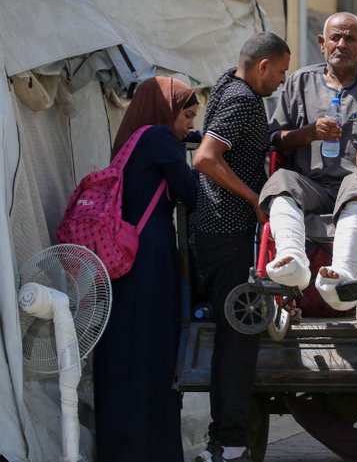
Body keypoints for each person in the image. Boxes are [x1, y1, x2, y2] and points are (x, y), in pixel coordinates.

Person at [261, 12, 357, 311]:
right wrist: (307, 133)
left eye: (350, 39)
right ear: (322, 43)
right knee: (279, 180)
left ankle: (342, 273)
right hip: (310, 187)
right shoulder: (299, 83)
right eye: (335, 37)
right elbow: (274, 137)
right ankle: (292, 261)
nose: (341, 44)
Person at [192, 32, 291, 462]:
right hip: (227, 234)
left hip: (217, 233)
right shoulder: (242, 100)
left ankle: (225, 441)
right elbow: (206, 157)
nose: (283, 82)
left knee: (233, 338)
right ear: (263, 66)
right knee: (238, 340)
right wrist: (253, 198)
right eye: (282, 72)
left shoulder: (226, 86)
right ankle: (230, 442)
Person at [94, 77, 200, 462]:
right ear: (166, 110)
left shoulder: (132, 138)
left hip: (124, 260)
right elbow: (191, 192)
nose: (189, 125)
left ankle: (122, 447)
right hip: (149, 261)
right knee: (153, 353)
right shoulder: (158, 137)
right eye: (186, 115)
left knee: (127, 351)